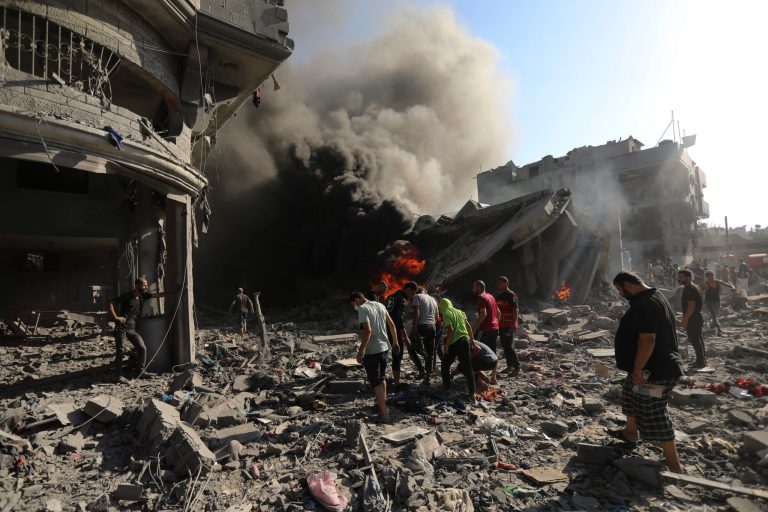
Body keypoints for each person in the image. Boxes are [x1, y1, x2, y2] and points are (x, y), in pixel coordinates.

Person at [612, 271, 685, 473]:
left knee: (654, 412)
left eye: (620, 290)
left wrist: (638, 369)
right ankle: (630, 433)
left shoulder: (646, 304)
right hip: (648, 368)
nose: (620, 295)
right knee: (629, 393)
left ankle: (673, 462)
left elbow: (648, 339)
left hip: (657, 371)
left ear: (629, 285)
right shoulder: (654, 296)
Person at [109, 277, 178, 378]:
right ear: (137, 286)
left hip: (131, 329)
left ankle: (141, 372)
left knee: (142, 349)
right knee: (121, 351)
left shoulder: (143, 296)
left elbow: (158, 295)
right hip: (121, 328)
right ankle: (118, 376)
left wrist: (174, 292)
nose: (146, 287)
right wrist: (115, 317)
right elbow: (111, 302)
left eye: (146, 285)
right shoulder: (127, 296)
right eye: (144, 285)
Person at [350, 292, 399, 422]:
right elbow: (392, 325)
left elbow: (368, 330)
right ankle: (381, 405)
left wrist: (361, 351)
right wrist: (395, 342)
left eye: (353, 304)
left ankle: (385, 415)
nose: (354, 307)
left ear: (357, 300)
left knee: (375, 382)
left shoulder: (363, 308)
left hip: (372, 351)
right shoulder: (380, 305)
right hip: (384, 347)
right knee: (382, 377)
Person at [386, 282, 425, 386]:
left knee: (385, 355)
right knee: (397, 355)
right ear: (408, 289)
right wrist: (405, 336)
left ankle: (382, 380)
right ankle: (397, 383)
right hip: (395, 331)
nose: (412, 295)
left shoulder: (390, 297)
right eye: (412, 293)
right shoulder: (401, 299)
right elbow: (399, 318)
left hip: (385, 329)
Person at [439, 298, 476, 401]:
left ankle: (447, 388)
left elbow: (450, 330)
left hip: (454, 342)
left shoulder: (446, 313)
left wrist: (446, 345)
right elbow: (468, 326)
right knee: (468, 367)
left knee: (445, 364)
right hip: (465, 340)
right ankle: (472, 393)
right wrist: (472, 339)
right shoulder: (460, 312)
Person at [471, 280, 500, 383]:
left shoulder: (481, 298)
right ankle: (493, 377)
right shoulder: (491, 296)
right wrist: (496, 324)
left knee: (476, 351)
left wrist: (475, 327)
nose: (472, 289)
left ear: (479, 287)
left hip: (484, 329)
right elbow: (498, 313)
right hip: (494, 328)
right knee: (493, 353)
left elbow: (483, 314)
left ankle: (479, 378)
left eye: (474, 287)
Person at [677, 269, 706, 369]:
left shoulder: (689, 289)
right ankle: (701, 360)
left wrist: (685, 319)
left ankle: (701, 362)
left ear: (688, 278)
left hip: (693, 319)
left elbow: (691, 305)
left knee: (694, 339)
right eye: (678, 277)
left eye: (681, 277)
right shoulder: (695, 286)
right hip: (696, 317)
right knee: (698, 339)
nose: (678, 279)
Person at [410, 287, 439, 384]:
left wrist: (414, 328)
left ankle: (421, 369)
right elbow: (437, 317)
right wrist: (432, 324)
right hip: (432, 327)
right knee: (431, 352)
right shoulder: (433, 300)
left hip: (422, 325)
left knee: (410, 347)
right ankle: (428, 377)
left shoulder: (417, 296)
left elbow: (416, 312)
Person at [495, 276, 521, 376]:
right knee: (505, 346)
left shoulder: (512, 295)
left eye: (500, 283)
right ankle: (509, 366)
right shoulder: (499, 295)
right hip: (501, 324)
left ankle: (517, 367)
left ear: (506, 283)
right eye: (497, 283)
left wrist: (513, 324)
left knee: (509, 346)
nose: (498, 285)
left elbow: (515, 310)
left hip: (509, 324)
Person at [702, 270, 734, 336]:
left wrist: (733, 287)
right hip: (709, 302)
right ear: (707, 277)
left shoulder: (718, 282)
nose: (711, 278)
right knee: (714, 315)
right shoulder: (706, 283)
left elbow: (728, 285)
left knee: (716, 315)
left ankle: (712, 325)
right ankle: (719, 330)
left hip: (717, 301)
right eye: (709, 277)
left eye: (712, 276)